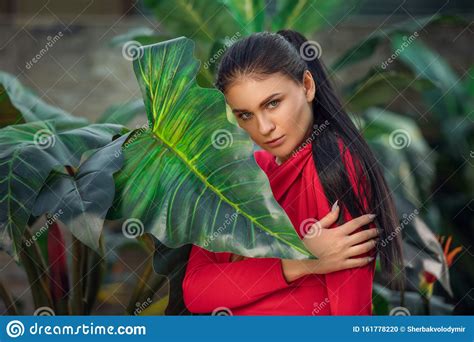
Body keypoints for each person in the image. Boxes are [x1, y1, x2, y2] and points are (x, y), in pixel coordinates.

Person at [182, 30, 403, 315]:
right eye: (245, 115)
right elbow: (196, 291)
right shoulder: (239, 176)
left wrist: (242, 270)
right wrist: (302, 260)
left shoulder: (334, 166)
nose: (263, 128)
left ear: (307, 86)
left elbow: (350, 311)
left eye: (272, 103)